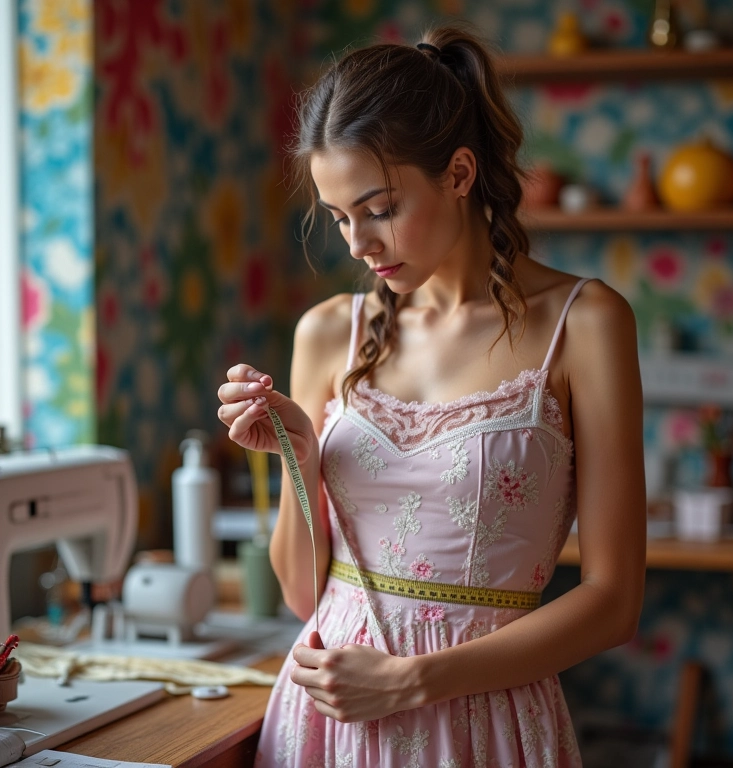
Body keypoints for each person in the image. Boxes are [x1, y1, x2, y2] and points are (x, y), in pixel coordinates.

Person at [217, 23, 646, 768]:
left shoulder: (586, 324)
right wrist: (299, 451)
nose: (357, 244)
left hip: (484, 726)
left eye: (378, 208)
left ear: (458, 173)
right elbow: (299, 595)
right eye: (340, 216)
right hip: (327, 725)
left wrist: (413, 682)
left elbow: (614, 601)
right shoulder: (326, 334)